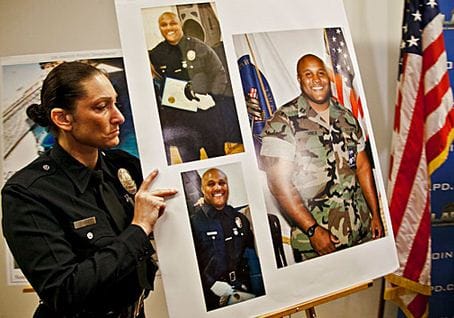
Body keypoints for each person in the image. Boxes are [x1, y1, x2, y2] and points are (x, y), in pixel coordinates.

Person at [1, 61, 177, 317]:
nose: (119, 117)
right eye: (101, 107)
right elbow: (65, 292)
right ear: (63, 118)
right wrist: (139, 228)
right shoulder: (27, 192)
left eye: (115, 104)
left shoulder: (124, 167)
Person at [260, 54, 384, 262]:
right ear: (299, 80)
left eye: (320, 73)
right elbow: (278, 184)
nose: (316, 80)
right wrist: (313, 231)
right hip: (319, 243)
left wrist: (376, 214)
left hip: (361, 230)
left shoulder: (346, 116)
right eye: (308, 74)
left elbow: (362, 167)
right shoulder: (282, 121)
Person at [148, 12, 242, 164]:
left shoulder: (199, 47)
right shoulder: (156, 54)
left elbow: (219, 73)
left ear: (180, 25)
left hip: (207, 115)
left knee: (218, 158)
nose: (169, 28)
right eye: (164, 25)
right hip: (182, 121)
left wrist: (213, 96)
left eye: (173, 23)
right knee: (190, 163)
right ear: (160, 28)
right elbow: (156, 81)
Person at [189, 168, 264, 310]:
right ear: (202, 189)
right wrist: (210, 284)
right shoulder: (194, 223)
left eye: (222, 183)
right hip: (213, 298)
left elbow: (250, 254)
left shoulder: (239, 218)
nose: (218, 188)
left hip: (243, 290)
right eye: (211, 184)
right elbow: (189, 266)